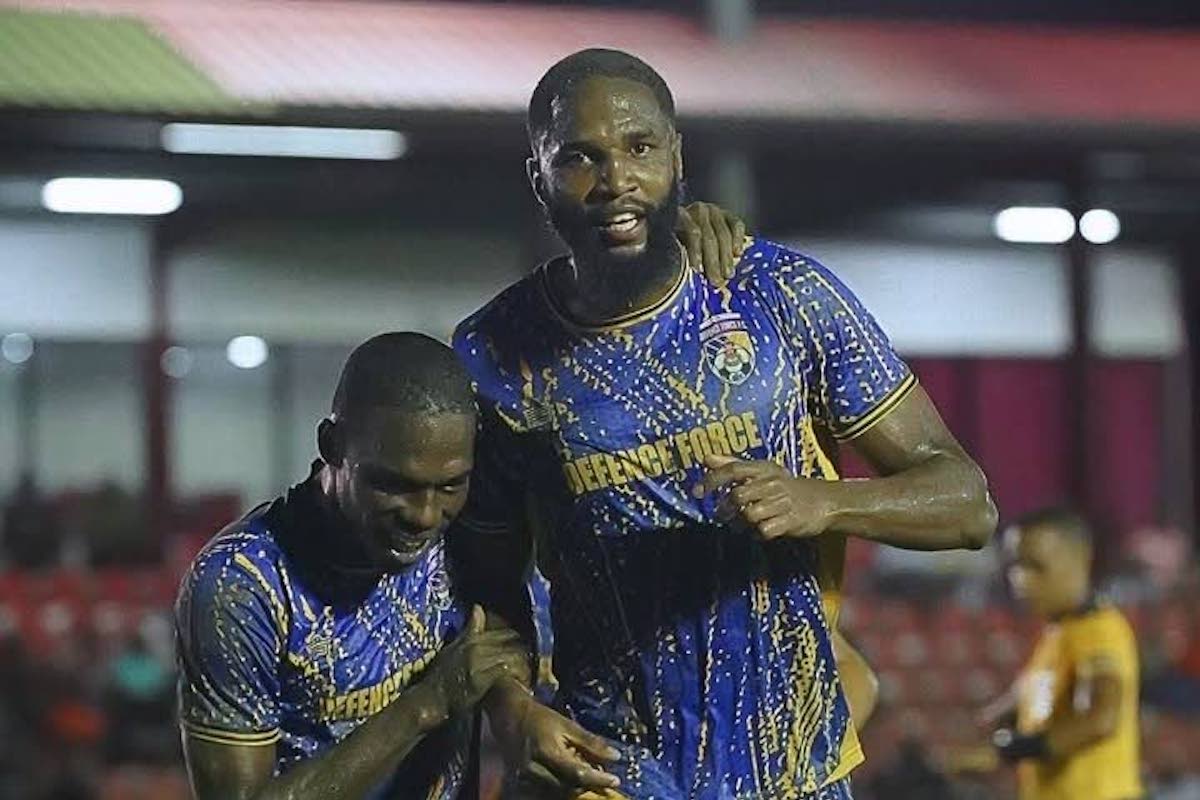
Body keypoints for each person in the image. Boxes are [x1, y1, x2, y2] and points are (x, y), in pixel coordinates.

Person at [452, 48, 996, 799]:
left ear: (677, 157)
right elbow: (480, 582)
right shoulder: (490, 356)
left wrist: (825, 501)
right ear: (538, 180)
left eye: (640, 148)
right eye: (580, 158)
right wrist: (512, 710)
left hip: (790, 771)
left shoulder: (781, 294)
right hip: (614, 775)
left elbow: (968, 504)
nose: (615, 181)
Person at [175, 333, 539, 800]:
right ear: (333, 445)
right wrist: (427, 704)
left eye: (450, 486)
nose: (424, 515)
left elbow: (500, 649)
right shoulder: (241, 585)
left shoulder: (466, 534)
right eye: (392, 485)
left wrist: (522, 715)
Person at [981, 508, 1142, 800]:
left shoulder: (1098, 631)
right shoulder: (1057, 634)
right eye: (1016, 565)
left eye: (1036, 566)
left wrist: (1024, 747)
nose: (1021, 579)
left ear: (1080, 561)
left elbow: (1101, 718)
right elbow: (1025, 705)